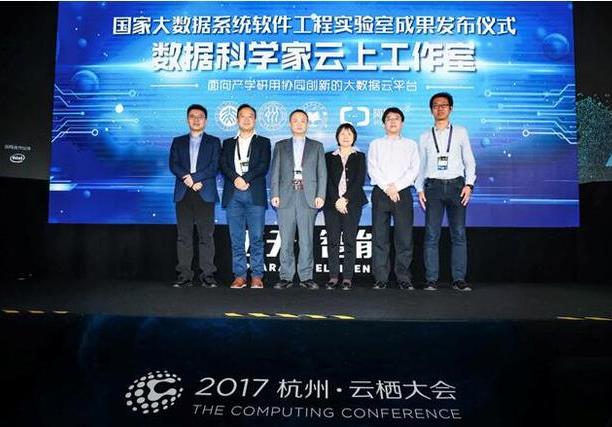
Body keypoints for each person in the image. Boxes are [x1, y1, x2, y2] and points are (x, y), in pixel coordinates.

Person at [416, 92, 476, 292]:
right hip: (432, 188)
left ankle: (458, 279)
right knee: (431, 235)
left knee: (458, 234)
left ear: (451, 108)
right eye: (435, 105)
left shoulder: (460, 132)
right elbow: (421, 165)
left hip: (457, 187)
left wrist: (469, 185)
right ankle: (431, 280)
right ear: (431, 110)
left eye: (444, 105)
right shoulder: (424, 136)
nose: (439, 108)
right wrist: (419, 188)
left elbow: (469, 160)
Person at [270, 109, 327, 290]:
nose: (299, 124)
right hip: (286, 196)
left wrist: (320, 195)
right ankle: (286, 276)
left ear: (307, 124)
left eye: (303, 120)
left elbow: (322, 173)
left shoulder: (317, 146)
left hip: (307, 196)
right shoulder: (280, 146)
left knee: (306, 240)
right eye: (295, 120)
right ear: (290, 124)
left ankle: (306, 277)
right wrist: (274, 194)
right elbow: (275, 172)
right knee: (286, 239)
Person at [367, 107, 420, 290]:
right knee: (380, 237)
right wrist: (387, 187)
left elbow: (414, 169)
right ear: (383, 124)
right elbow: (372, 168)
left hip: (402, 193)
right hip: (381, 193)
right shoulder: (375, 144)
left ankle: (403, 278)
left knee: (404, 237)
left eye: (396, 118)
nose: (393, 121)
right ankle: (380, 278)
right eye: (389, 119)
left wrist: (396, 187)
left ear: (402, 123)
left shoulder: (411, 145)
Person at [169, 104, 221, 288]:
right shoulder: (178, 141)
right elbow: (173, 164)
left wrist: (195, 178)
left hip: (204, 192)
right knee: (184, 236)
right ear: (187, 119)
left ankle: (208, 275)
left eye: (200, 116)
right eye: (192, 116)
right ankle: (184, 275)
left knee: (206, 236)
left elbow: (214, 166)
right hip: (183, 193)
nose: (196, 119)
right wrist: (188, 180)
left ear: (205, 120)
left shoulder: (214, 142)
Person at [220, 104, 271, 289]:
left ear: (255, 120)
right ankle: (240, 276)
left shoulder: (263, 142)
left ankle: (257, 276)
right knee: (237, 238)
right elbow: (223, 164)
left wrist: (245, 178)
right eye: (243, 116)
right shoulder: (227, 143)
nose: (247, 119)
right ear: (237, 120)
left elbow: (263, 165)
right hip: (233, 195)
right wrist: (236, 179)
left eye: (250, 116)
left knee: (257, 237)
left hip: (254, 194)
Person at [324, 123, 367, 290]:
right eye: (342, 133)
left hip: (353, 204)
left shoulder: (359, 156)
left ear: (354, 137)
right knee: (332, 240)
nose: (345, 136)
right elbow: (326, 180)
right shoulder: (328, 156)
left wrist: (345, 199)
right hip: (331, 204)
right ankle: (333, 276)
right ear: (337, 137)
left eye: (349, 133)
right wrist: (337, 199)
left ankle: (347, 277)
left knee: (350, 240)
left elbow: (359, 181)